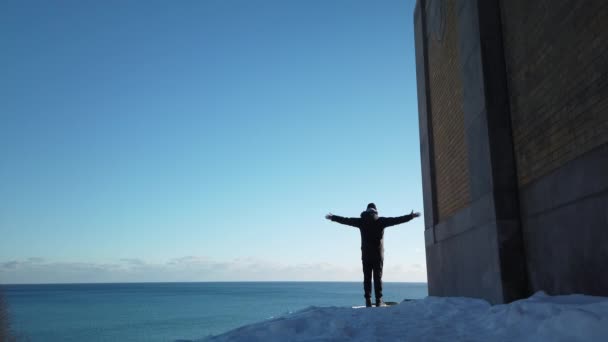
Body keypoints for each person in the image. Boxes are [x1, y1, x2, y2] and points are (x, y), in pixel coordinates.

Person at [325, 203, 420, 307]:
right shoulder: (380, 221)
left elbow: (346, 220)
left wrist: (333, 217)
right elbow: (396, 220)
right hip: (378, 255)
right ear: (375, 211)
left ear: (366, 211)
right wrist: (410, 216)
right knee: (377, 278)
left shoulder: (361, 221)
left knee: (367, 278)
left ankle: (368, 301)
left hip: (366, 254)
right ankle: (379, 300)